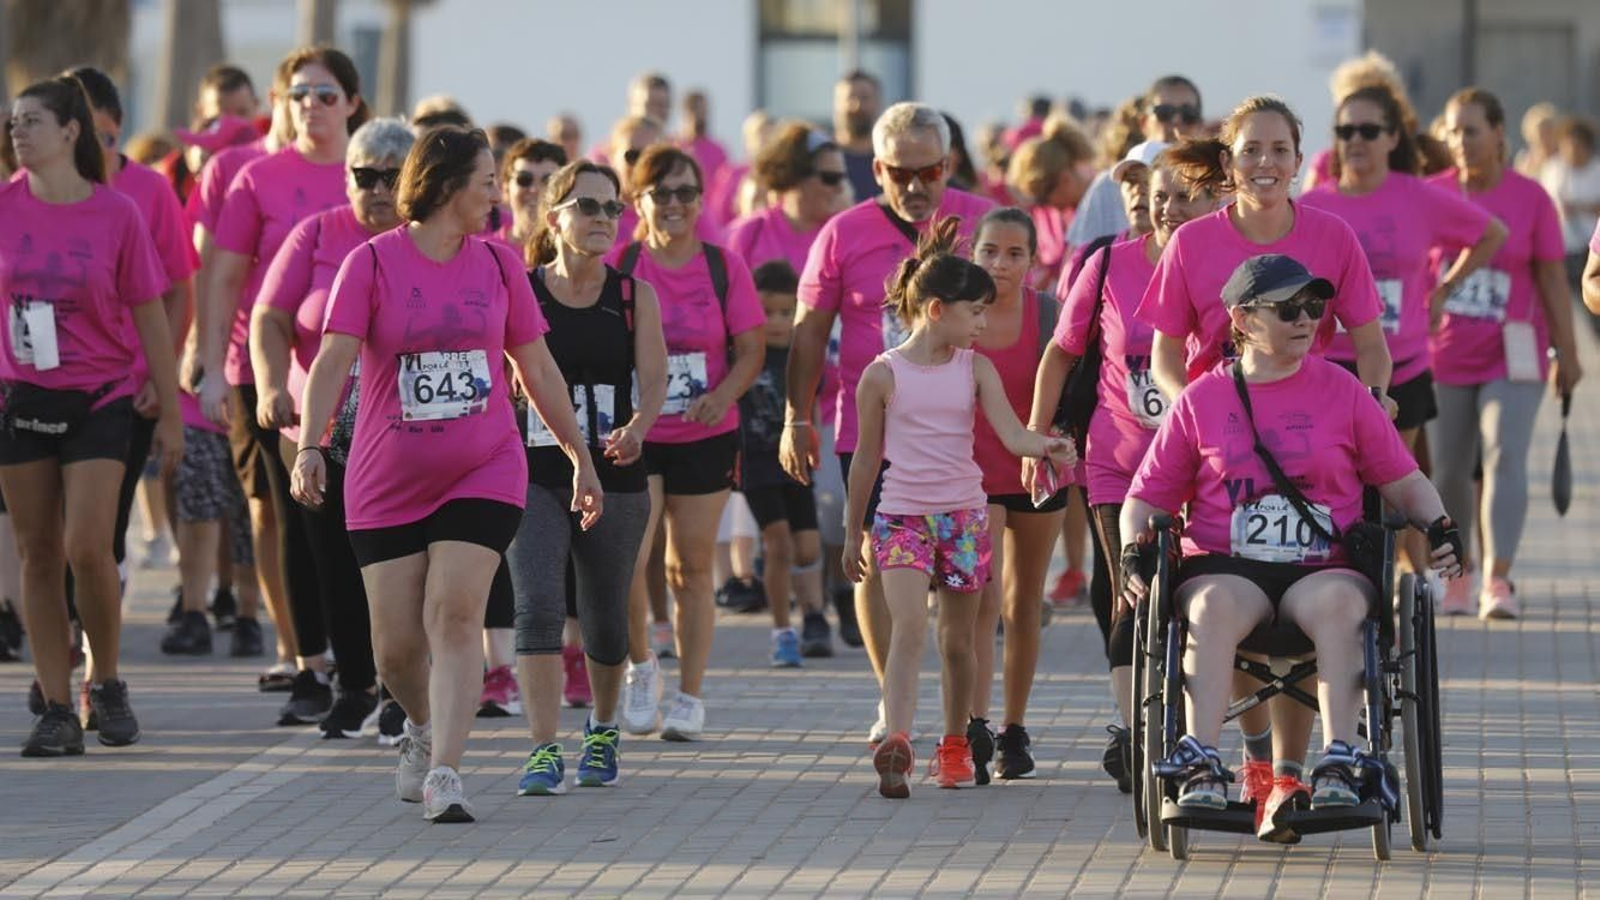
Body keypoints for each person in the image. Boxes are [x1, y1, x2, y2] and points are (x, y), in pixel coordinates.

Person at [291, 125, 601, 822]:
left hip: (484, 465)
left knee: (454, 612)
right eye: (487, 180)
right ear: (445, 186)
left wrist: (580, 457)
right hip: (385, 478)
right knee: (395, 651)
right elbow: (333, 362)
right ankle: (423, 725)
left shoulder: (498, 266)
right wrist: (311, 446)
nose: (497, 192)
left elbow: (539, 370)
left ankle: (446, 773)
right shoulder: (370, 264)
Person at [1119, 253, 1463, 824]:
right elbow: (1146, 497)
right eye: (1288, 310)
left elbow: (1402, 478)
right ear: (1243, 320)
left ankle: (1340, 759)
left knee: (1340, 604)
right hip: (1229, 565)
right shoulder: (1202, 399)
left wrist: (1440, 526)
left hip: (1320, 566)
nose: (1306, 319)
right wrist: (1136, 549)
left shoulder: (1346, 391)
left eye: (1313, 307)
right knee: (1209, 604)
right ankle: (1201, 760)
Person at [782, 102, 994, 743]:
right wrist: (797, 416)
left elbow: (1016, 316)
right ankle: (891, 700)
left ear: (948, 164)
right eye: (899, 172)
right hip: (870, 430)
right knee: (874, 561)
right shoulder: (843, 233)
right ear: (876, 168)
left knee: (966, 592)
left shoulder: (978, 221)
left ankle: (971, 721)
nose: (915, 185)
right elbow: (809, 331)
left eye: (928, 170)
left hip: (966, 430)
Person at [846, 218, 1075, 798]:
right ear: (935, 310)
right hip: (900, 516)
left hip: (964, 518)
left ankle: (953, 746)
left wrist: (1049, 446)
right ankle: (896, 739)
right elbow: (864, 459)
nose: (983, 323)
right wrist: (854, 532)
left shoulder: (976, 369)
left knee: (958, 638)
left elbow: (1011, 434)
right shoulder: (881, 375)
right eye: (974, 312)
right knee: (908, 628)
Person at [3, 76, 183, 756]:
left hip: (102, 397)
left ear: (72, 131)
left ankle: (105, 680)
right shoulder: (3, 207)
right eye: (15, 122)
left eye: (34, 121)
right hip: (21, 398)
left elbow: (151, 316)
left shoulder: (116, 214)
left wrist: (167, 408)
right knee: (36, 554)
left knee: (87, 546)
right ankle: (54, 703)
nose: (19, 132)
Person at [1033, 148, 1220, 797]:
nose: (1168, 207)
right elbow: (1060, 354)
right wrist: (1038, 437)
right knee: (1129, 594)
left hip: (1209, 465)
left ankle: (1196, 723)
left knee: (1203, 595)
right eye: (1160, 195)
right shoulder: (1108, 263)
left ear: (1215, 202)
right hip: (1119, 462)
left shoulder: (1228, 269)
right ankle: (1136, 728)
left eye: (1184, 197)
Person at [202, 46, 367, 725]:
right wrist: (209, 362)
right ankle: (306, 658)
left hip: (367, 380)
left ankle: (363, 657)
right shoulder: (258, 178)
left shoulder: (377, 170)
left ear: (353, 103)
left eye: (326, 94)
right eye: (298, 94)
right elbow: (224, 274)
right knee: (284, 518)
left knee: (350, 521)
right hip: (268, 375)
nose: (311, 106)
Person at [250, 117, 416, 738]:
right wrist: (269, 385)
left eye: (389, 177)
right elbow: (269, 317)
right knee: (330, 561)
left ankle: (403, 687)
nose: (375, 188)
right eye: (362, 175)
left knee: (396, 562)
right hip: (316, 425)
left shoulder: (423, 242)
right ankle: (352, 683)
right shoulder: (316, 234)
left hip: (399, 432)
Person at [1300, 86, 1507, 576]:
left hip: (1402, 365)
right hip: (1327, 369)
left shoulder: (1418, 197)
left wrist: (1444, 291)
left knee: (1393, 479)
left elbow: (1491, 233)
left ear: (1393, 138)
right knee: (1332, 480)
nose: (1356, 140)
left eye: (1368, 130)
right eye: (1345, 131)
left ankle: (1401, 586)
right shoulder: (1312, 205)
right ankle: (1341, 577)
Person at [509, 160, 666, 795]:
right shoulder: (523, 289)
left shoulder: (633, 296)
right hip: (535, 471)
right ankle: (544, 748)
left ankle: (601, 727)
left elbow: (653, 379)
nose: (603, 219)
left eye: (612, 208)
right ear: (555, 219)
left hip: (617, 468)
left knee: (605, 613)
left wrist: (637, 427)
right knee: (539, 604)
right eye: (588, 206)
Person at [607, 145, 764, 741]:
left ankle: (691, 695)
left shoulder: (724, 267)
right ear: (638, 201)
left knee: (690, 567)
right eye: (660, 193)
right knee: (629, 559)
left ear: (701, 200)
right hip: (638, 433)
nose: (674, 205)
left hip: (703, 431)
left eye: (685, 194)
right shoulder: (622, 263)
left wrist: (724, 394)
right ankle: (641, 668)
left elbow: (751, 347)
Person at [1427, 87, 1583, 619]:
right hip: (1443, 355)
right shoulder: (1432, 193)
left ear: (1499, 134)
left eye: (1472, 130)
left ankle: (1499, 580)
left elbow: (1552, 278)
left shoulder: (1531, 198)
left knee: (1503, 453)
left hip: (1514, 352)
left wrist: (1569, 350)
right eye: (1452, 131)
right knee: (1447, 470)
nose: (1461, 141)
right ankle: (1457, 579)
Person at [64, 68, 196, 597]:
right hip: (43, 389)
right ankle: (63, 651)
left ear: (119, 128)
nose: (96, 150)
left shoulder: (149, 190)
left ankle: (99, 663)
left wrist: (159, 381)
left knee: (103, 535)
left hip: (125, 389)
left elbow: (179, 290)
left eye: (107, 137)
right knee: (51, 536)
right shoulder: (27, 195)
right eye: (80, 136)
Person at [957, 207, 1071, 783]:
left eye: (1014, 254)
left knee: (1024, 605)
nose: (1000, 264)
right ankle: (973, 723)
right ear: (971, 254)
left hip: (1037, 475)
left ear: (1033, 260)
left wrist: (1057, 442)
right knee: (981, 600)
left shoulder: (1049, 314)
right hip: (972, 476)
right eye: (989, 252)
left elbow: (1074, 389)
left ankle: (1014, 729)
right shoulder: (956, 316)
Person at [738, 261, 831, 663]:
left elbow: (815, 402)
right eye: (765, 312)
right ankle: (782, 631)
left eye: (784, 312)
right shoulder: (742, 354)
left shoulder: (801, 354)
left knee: (807, 546)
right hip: (756, 462)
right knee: (777, 544)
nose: (775, 322)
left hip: (796, 461)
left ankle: (812, 611)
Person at [1065, 75, 1203, 260]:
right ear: (1144, 122)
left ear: (1200, 124)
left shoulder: (1217, 186)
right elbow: (1076, 260)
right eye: (1164, 112)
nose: (1176, 121)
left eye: (1188, 114)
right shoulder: (1109, 184)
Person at [1004, 117, 1095, 291]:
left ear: (1064, 179)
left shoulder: (1103, 204)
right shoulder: (1060, 214)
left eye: (1042, 198)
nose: (1044, 207)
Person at [1537, 116, 1600, 287]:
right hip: (1563, 246)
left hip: (1593, 249)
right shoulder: (1554, 169)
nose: (1572, 151)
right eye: (1567, 146)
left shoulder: (1597, 170)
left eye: (1577, 146)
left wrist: (1578, 206)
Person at [704, 109, 772, 230]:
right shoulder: (730, 174)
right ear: (748, 140)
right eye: (759, 134)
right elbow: (718, 213)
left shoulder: (781, 177)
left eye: (769, 134)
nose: (764, 140)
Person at [499, 138, 567, 253]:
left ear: (566, 190)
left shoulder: (586, 254)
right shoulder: (482, 252)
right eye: (524, 179)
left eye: (548, 181)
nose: (535, 189)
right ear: (505, 188)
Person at [833, 71, 883, 202]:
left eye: (864, 98)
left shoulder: (891, 163)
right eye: (850, 98)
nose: (857, 106)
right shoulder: (821, 162)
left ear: (878, 103)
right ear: (836, 105)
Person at [677, 90, 728, 190]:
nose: (701, 115)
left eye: (704, 110)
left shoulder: (717, 150)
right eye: (696, 109)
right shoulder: (673, 146)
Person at [1514, 102, 1560, 179]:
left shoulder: (1563, 159)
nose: (1545, 136)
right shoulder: (1524, 160)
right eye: (1541, 131)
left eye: (1549, 130)